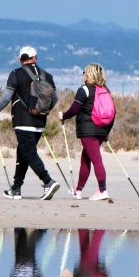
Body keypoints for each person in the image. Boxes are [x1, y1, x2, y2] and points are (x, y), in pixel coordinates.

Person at [0, 46, 61, 201]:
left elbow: (7, 97)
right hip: (40, 121)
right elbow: (55, 99)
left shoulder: (16, 73)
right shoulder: (47, 75)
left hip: (22, 120)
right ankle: (16, 188)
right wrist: (43, 110)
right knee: (23, 152)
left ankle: (48, 181)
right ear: (36, 58)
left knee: (28, 153)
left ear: (21, 60)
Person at [56, 63, 113, 201]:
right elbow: (113, 112)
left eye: (85, 72)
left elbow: (75, 109)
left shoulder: (84, 90)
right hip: (101, 130)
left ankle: (102, 190)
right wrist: (107, 132)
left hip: (88, 131)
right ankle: (78, 190)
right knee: (85, 160)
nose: (83, 75)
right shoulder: (105, 90)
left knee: (96, 160)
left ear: (89, 74)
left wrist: (63, 115)